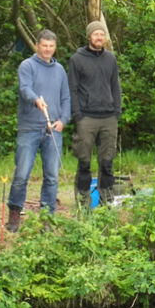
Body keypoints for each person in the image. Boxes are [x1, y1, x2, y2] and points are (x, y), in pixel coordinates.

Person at [6, 29, 71, 233]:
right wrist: (36, 100)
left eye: (51, 46)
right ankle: (15, 214)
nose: (47, 50)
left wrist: (63, 120)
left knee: (52, 176)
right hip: (29, 128)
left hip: (53, 130)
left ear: (55, 47)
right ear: (37, 46)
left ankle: (47, 218)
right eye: (44, 46)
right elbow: (25, 89)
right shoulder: (27, 65)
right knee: (22, 174)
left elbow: (66, 98)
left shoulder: (60, 70)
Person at [68, 21, 122, 206]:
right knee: (84, 162)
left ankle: (106, 202)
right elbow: (72, 89)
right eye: (96, 34)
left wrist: (117, 111)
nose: (99, 37)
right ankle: (83, 203)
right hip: (86, 118)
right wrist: (77, 114)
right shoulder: (77, 59)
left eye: (102, 34)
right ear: (89, 36)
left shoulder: (110, 59)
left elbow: (115, 86)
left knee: (107, 163)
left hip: (109, 117)